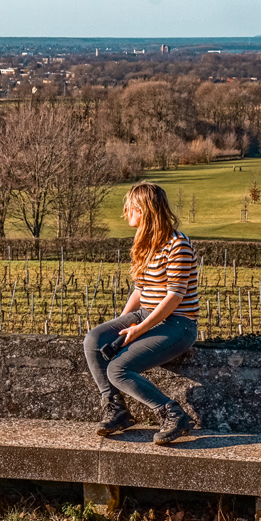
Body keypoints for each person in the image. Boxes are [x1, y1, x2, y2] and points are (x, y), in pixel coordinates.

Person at [83, 182, 199, 445]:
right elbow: (140, 290)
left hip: (178, 324)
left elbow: (174, 297)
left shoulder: (177, 244)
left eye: (130, 208)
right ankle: (117, 410)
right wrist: (120, 324)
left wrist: (139, 329)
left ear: (144, 210)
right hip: (147, 313)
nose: (126, 214)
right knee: (93, 340)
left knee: (118, 369)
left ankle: (172, 414)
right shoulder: (144, 243)